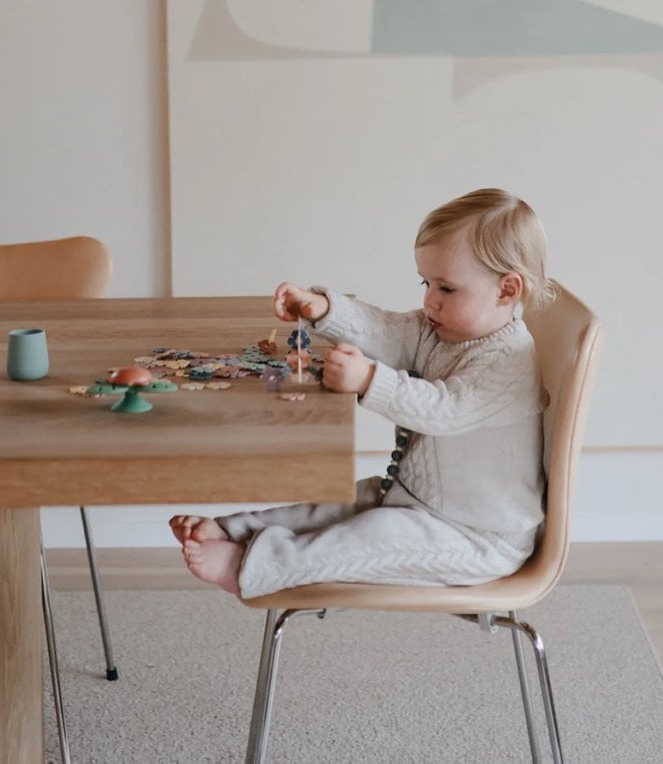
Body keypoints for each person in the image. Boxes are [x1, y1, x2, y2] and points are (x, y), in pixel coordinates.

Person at [170, 188, 556, 598]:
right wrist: (324, 309)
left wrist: (369, 379)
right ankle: (236, 530)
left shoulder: (507, 363)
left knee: (361, 538)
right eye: (426, 283)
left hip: (476, 537)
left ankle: (252, 567)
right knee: (334, 506)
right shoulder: (444, 331)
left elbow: (443, 410)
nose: (429, 301)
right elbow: (388, 329)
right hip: (416, 499)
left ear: (507, 290)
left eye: (446, 288)